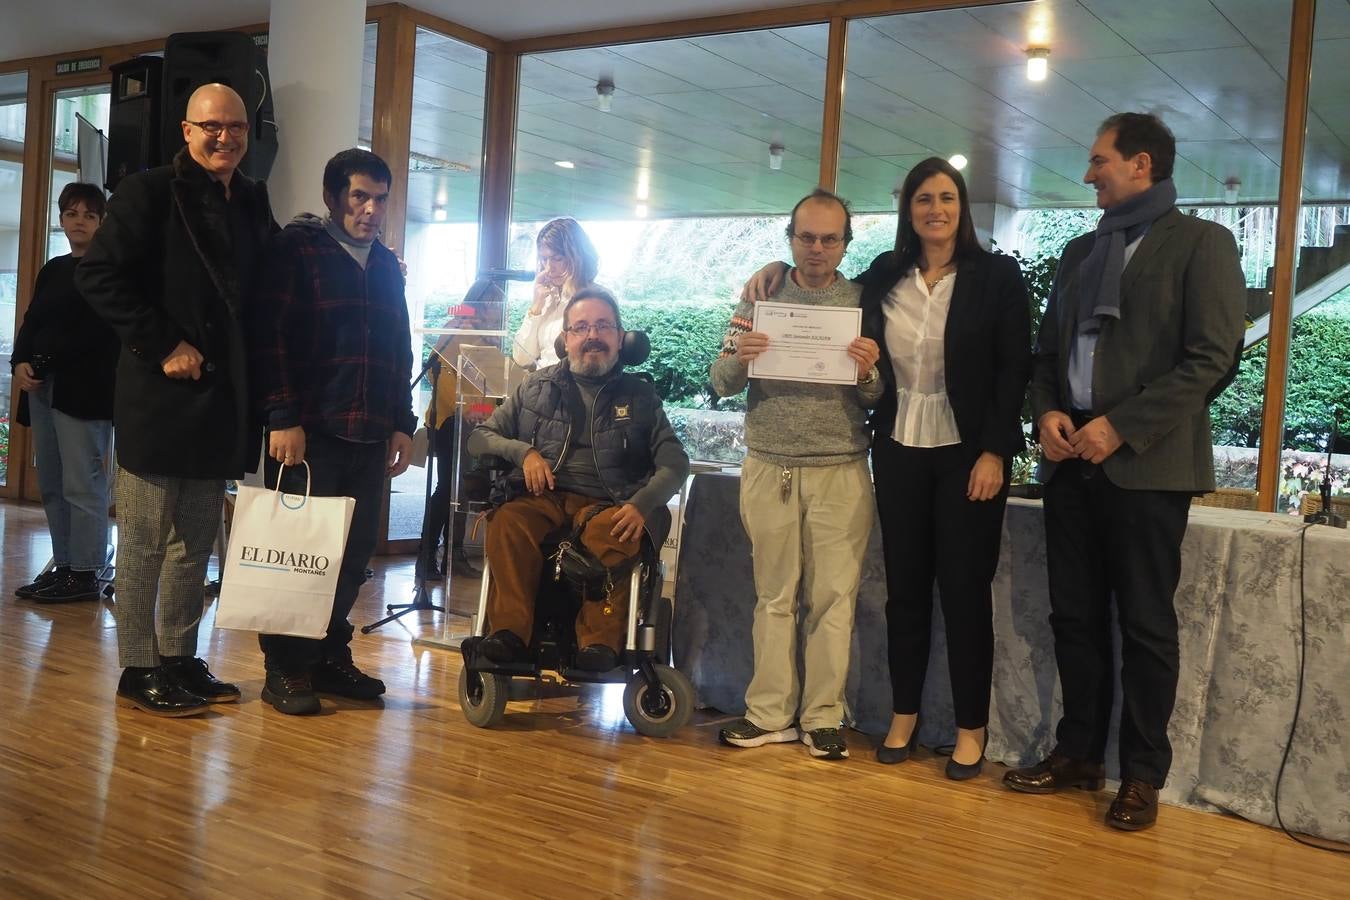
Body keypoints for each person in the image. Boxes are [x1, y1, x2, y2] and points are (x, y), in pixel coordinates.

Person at [742, 164, 1032, 776]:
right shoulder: (882, 277)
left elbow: (1014, 370)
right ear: (908, 210)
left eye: (947, 197)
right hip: (898, 449)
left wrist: (996, 452)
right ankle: (904, 716)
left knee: (964, 595)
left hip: (967, 454)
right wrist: (768, 274)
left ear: (963, 206)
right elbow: (816, 290)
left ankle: (970, 729)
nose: (936, 208)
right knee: (904, 595)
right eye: (924, 198)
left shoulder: (997, 276)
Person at [1003, 113, 1246, 830]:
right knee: (1073, 617)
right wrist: (1047, 414)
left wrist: (1121, 426)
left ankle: (1142, 775)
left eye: (1098, 159)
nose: (1088, 173)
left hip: (1147, 468)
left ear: (1141, 164)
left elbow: (1212, 360)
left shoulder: (1203, 244)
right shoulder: (1083, 251)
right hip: (1070, 464)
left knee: (1144, 625)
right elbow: (1047, 357)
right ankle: (1078, 753)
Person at [77, 83, 276, 717]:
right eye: (212, 127)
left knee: (195, 543)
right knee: (143, 543)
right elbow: (97, 274)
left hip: (221, 402)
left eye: (237, 128)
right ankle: (139, 668)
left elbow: (270, 279)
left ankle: (179, 657)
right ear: (186, 131)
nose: (225, 138)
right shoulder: (147, 191)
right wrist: (164, 343)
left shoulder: (250, 196)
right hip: (159, 399)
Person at [711, 189, 883, 762]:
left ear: (845, 243)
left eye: (829, 238)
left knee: (834, 599)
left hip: (841, 467)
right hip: (769, 464)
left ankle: (824, 718)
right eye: (806, 237)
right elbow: (721, 380)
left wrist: (866, 373)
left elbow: (882, 393)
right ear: (790, 238)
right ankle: (768, 715)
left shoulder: (863, 301)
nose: (816, 248)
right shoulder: (758, 296)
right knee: (774, 598)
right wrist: (743, 353)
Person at [249, 148, 417, 716]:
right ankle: (285, 667)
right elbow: (270, 336)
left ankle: (325, 654)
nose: (370, 209)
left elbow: (400, 347)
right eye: (359, 197)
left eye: (379, 199)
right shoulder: (297, 251)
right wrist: (282, 415)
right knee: (297, 554)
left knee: (350, 557)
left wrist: (402, 422)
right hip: (309, 432)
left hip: (371, 435)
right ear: (332, 198)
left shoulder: (388, 265)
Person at [470, 287, 689, 672]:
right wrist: (525, 454)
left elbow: (674, 462)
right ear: (565, 338)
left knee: (615, 529)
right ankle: (508, 634)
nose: (593, 336)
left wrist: (641, 503)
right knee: (506, 521)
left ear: (621, 338)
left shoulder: (641, 396)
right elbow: (480, 437)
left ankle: (599, 643)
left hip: (611, 501)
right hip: (544, 496)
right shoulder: (534, 388)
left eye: (603, 326)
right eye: (582, 327)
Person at [12, 182, 119, 603]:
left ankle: (87, 572)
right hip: (42, 387)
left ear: (102, 222)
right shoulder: (53, 269)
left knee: (83, 483)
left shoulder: (109, 270)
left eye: (89, 215)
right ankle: (65, 565)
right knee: (53, 483)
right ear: (61, 220)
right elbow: (31, 321)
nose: (79, 222)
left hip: (85, 390)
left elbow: (100, 334)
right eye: (71, 214)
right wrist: (20, 361)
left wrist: (49, 359)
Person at [415, 300, 495, 580]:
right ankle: (427, 557)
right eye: (489, 311)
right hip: (451, 423)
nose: (492, 317)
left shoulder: (486, 341)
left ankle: (453, 555)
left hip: (473, 426)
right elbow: (448, 386)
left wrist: (486, 412)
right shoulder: (454, 334)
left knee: (460, 491)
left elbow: (492, 386)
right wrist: (476, 411)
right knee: (448, 489)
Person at [511, 217, 600, 369]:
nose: (549, 267)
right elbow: (522, 358)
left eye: (557, 258)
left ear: (577, 257)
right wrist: (536, 306)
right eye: (544, 259)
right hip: (542, 386)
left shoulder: (598, 299)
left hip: (575, 389)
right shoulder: (547, 298)